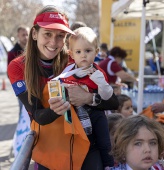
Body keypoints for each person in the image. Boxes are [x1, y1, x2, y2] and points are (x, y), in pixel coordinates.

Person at [7, 6, 118, 170]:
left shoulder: (75, 57)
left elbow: (113, 102)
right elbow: (38, 115)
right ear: (35, 34)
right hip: (50, 148)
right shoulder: (18, 67)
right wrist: (56, 110)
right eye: (48, 34)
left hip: (85, 143)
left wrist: (88, 98)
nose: (53, 42)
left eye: (60, 36)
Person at [60, 26, 119, 169]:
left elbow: (108, 97)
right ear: (71, 54)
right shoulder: (67, 72)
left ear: (96, 52)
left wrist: (100, 83)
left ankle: (109, 166)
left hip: (96, 113)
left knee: (104, 142)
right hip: (74, 116)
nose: (83, 55)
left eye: (88, 51)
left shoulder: (98, 72)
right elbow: (60, 89)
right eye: (78, 52)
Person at [7, 25, 29, 116]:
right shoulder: (12, 53)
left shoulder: (35, 50)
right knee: (23, 108)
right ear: (18, 36)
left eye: (27, 34)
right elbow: (9, 72)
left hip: (35, 83)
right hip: (22, 85)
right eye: (23, 35)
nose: (26, 37)